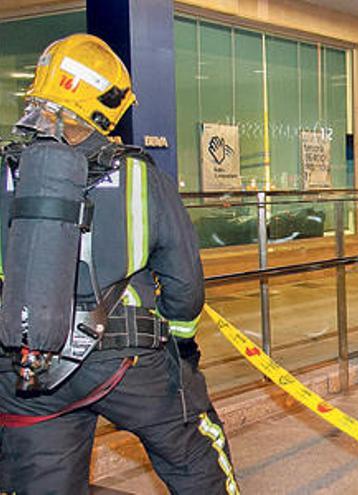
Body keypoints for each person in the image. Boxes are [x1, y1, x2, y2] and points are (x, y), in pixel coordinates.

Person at [0, 34, 238, 494]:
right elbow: (185, 286)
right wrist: (182, 347)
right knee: (194, 453)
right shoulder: (139, 178)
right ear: (107, 104)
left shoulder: (7, 174)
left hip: (25, 367)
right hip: (127, 361)